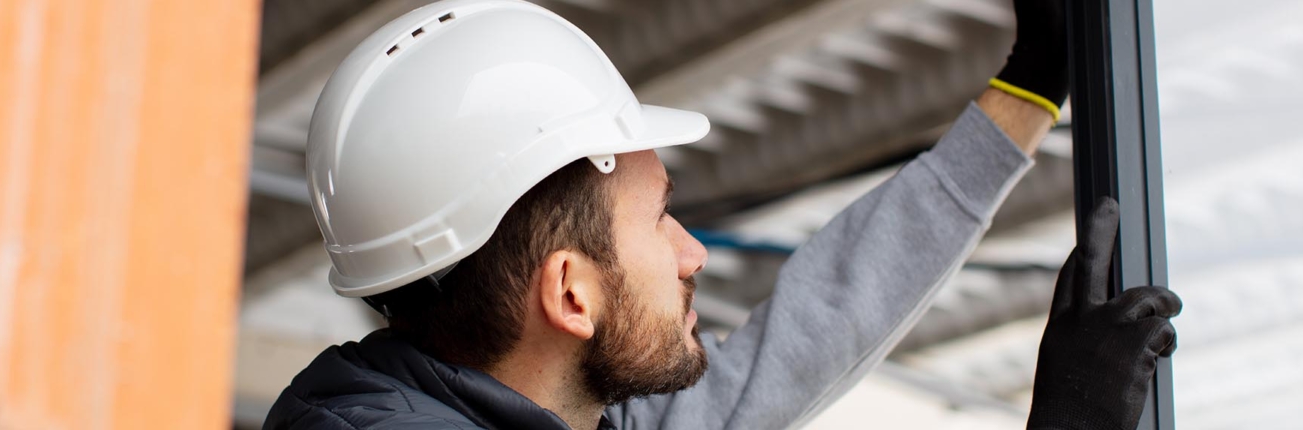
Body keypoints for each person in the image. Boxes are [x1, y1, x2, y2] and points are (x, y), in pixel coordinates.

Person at [264, 0, 1181, 428]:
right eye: (659, 218)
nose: (693, 251)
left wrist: (1024, 96)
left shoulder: (555, 404)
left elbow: (812, 330)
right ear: (572, 294)